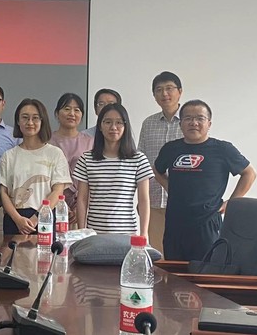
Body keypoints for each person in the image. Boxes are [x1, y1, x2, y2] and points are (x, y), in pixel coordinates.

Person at [154, 100, 256, 261]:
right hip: (175, 223)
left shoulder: (223, 149)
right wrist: (169, 187)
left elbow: (249, 173)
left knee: (207, 269)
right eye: (188, 118)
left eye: (200, 118)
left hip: (207, 223)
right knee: (174, 270)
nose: (193, 123)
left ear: (209, 123)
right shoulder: (170, 148)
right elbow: (157, 170)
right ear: (181, 124)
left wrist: (232, 202)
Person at [73, 103, 153, 237]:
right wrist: (82, 232)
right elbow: (82, 199)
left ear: (125, 126)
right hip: (95, 234)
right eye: (108, 122)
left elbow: (144, 200)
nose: (113, 127)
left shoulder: (138, 159)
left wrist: (144, 233)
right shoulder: (86, 159)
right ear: (100, 126)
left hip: (127, 234)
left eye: (119, 122)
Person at [0, 99, 71, 235]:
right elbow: (3, 192)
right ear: (18, 121)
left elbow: (57, 191)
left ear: (42, 121)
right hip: (14, 220)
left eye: (35, 118)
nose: (30, 122)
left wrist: (37, 218)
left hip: (44, 218)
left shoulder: (55, 153)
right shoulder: (9, 156)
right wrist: (17, 219)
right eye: (25, 117)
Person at [137, 71, 184, 253]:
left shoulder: (190, 121)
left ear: (180, 91)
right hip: (154, 201)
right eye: (159, 90)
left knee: (182, 255)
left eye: (169, 88)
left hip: (183, 203)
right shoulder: (148, 123)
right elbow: (140, 161)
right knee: (157, 255)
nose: (164, 93)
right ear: (154, 95)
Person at [49, 93, 94, 227]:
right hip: (50, 205)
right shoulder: (46, 141)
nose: (72, 114)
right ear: (57, 113)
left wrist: (79, 206)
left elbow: (94, 177)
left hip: (83, 205)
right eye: (67, 109)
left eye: (77, 110)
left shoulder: (91, 142)